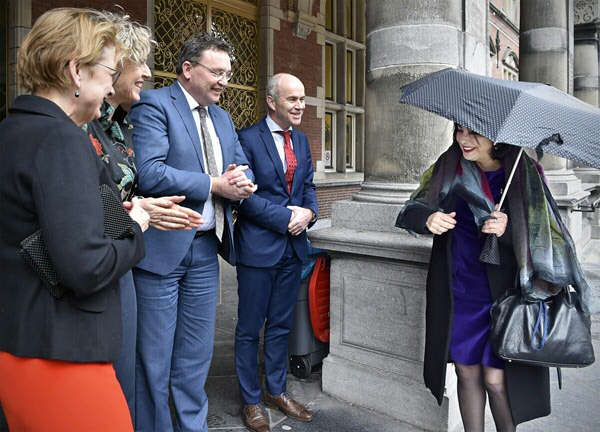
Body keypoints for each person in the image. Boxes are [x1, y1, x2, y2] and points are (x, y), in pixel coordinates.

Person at [0, 8, 148, 431]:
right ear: (75, 72)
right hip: (61, 355)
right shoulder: (61, 139)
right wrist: (136, 227)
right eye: (108, 71)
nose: (109, 87)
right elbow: (86, 266)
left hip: (19, 345)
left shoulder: (12, 131)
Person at [395, 123, 596, 430]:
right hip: (458, 288)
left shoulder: (524, 174)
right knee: (466, 372)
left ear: (498, 137)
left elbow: (546, 238)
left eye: (474, 133)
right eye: (460, 131)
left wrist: (507, 230)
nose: (464, 139)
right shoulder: (448, 166)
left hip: (505, 294)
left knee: (495, 379)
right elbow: (411, 209)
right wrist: (428, 218)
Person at [129, 32, 257, 432]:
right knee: (153, 358)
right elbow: (148, 171)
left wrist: (242, 180)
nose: (224, 81)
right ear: (187, 69)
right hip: (161, 249)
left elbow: (240, 163)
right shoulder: (153, 104)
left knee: (195, 356)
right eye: (216, 72)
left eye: (228, 74)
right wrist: (214, 184)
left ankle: (192, 427)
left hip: (206, 249)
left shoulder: (222, 116)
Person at [83, 12, 203, 425]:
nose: (148, 73)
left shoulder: (120, 123)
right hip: (98, 264)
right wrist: (137, 210)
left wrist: (142, 210)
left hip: (125, 256)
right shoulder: (79, 124)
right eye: (140, 63)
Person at [234, 73, 318, 432]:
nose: (300, 105)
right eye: (292, 99)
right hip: (257, 248)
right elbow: (244, 196)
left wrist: (310, 214)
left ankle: (277, 391)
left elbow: (309, 187)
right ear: (272, 101)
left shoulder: (301, 140)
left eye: (302, 99)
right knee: (250, 328)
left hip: (293, 249)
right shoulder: (246, 139)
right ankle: (251, 400)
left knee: (281, 326)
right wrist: (287, 218)